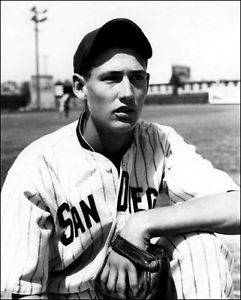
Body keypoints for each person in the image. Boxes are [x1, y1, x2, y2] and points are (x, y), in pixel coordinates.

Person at [1, 18, 240, 300]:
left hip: (145, 291)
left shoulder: (160, 141)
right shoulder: (38, 166)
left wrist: (141, 223)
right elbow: (20, 291)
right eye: (111, 78)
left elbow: (234, 205)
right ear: (80, 87)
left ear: (147, 84)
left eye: (137, 78)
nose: (127, 93)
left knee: (200, 246)